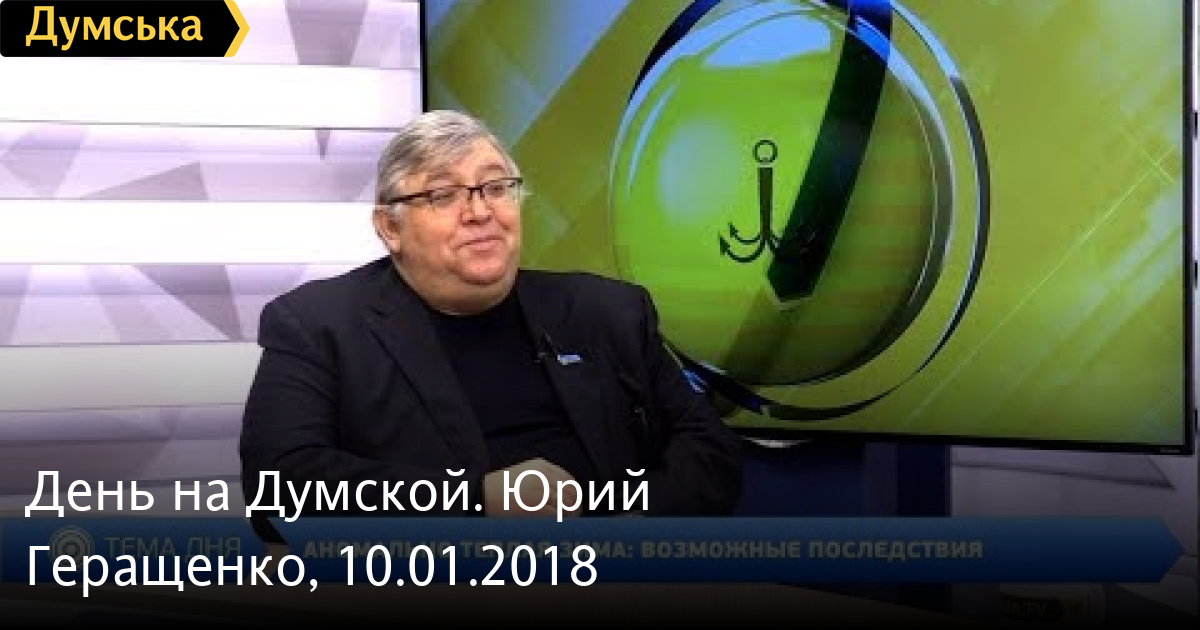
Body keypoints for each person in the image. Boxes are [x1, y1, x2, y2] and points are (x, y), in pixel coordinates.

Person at [239, 109, 741, 521]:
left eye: (496, 188)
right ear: (390, 228)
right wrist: (476, 500)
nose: (480, 212)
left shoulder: (609, 312)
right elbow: (277, 483)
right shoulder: (318, 326)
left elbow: (709, 450)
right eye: (442, 195)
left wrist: (621, 535)